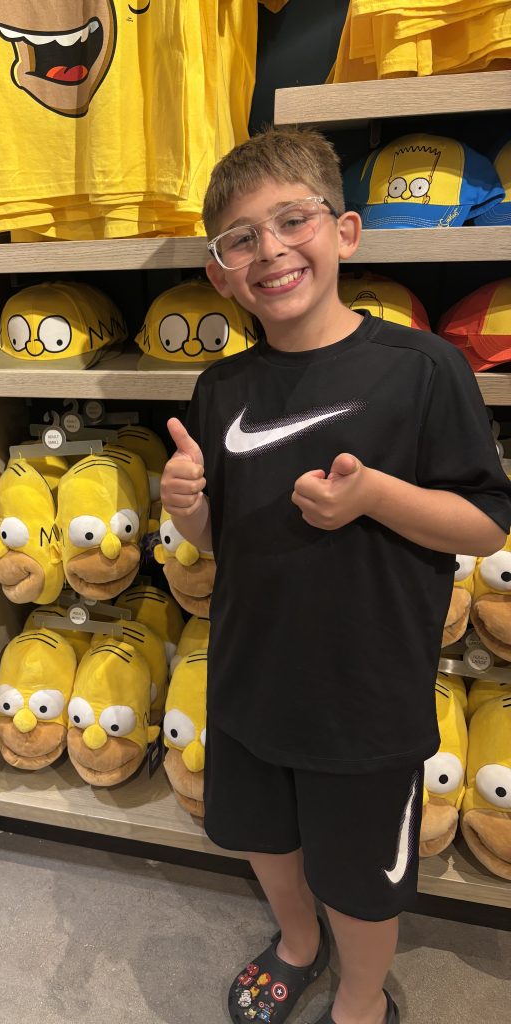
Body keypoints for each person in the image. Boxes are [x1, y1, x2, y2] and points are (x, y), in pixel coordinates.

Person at [159, 125, 511, 1024]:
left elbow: (486, 521)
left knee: (358, 874)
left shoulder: (424, 369)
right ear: (221, 274)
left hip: (365, 694)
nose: (271, 250)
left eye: (293, 221)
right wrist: (187, 507)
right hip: (249, 675)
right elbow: (223, 535)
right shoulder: (222, 389)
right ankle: (296, 942)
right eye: (241, 239)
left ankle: (360, 996)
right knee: (263, 837)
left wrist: (376, 497)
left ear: (345, 232)